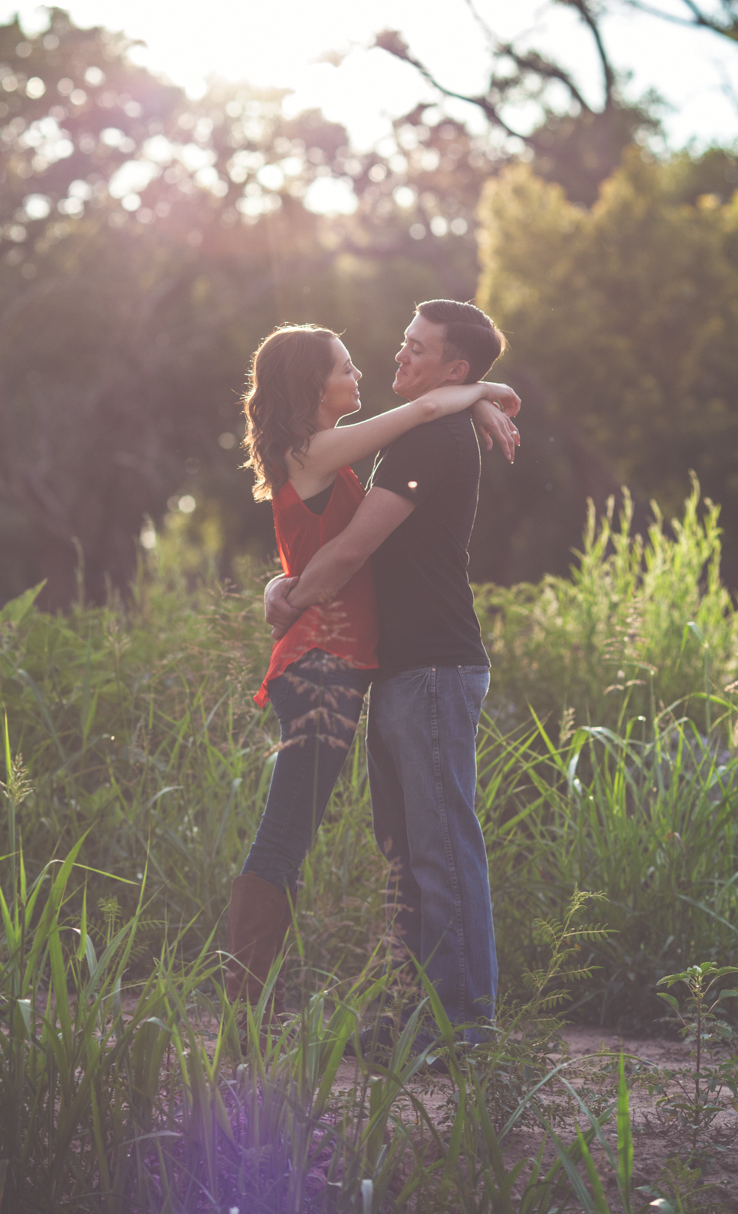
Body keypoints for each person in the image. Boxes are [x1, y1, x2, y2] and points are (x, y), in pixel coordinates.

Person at [227, 320, 520, 1023]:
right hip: (321, 666)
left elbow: (320, 539)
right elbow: (419, 412)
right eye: (345, 368)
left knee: (319, 833)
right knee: (286, 834)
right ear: (312, 386)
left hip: (341, 664)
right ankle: (243, 1012)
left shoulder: (322, 450)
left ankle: (421, 1013)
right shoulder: (319, 448)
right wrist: (482, 391)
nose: (362, 374)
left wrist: (472, 397)